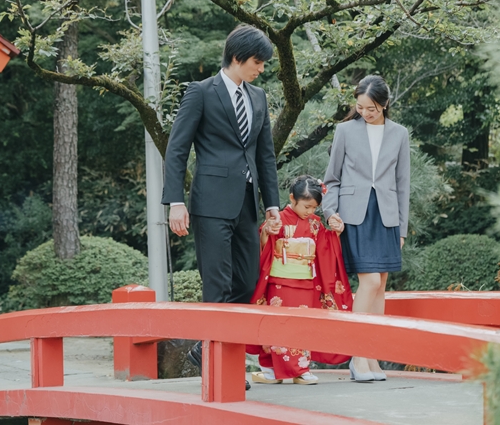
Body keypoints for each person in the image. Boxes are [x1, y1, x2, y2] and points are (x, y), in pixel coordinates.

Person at [162, 24, 281, 389]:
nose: (261, 69)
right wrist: (175, 202)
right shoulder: (200, 93)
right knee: (216, 285)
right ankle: (220, 366)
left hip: (246, 204)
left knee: (246, 282)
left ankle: (204, 347)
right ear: (236, 57)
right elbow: (177, 148)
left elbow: (265, 156)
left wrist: (272, 205)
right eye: (257, 62)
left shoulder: (258, 97)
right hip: (210, 203)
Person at [322, 75, 410, 382]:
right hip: (353, 215)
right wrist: (330, 212)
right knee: (369, 281)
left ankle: (371, 356)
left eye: (371, 108)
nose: (364, 112)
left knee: (381, 285)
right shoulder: (345, 131)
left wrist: (402, 229)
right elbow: (331, 179)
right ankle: (357, 356)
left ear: (384, 104)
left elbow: (403, 185)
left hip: (387, 216)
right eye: (360, 107)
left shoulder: (399, 134)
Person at [246, 175, 353, 385]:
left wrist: (336, 232)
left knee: (303, 324)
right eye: (306, 206)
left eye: (314, 208)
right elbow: (264, 245)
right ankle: (271, 369)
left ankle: (300, 368)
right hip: (280, 282)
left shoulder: (315, 224)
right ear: (292, 198)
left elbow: (324, 248)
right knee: (278, 324)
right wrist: (267, 232)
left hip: (306, 282)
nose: (310, 212)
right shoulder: (279, 219)